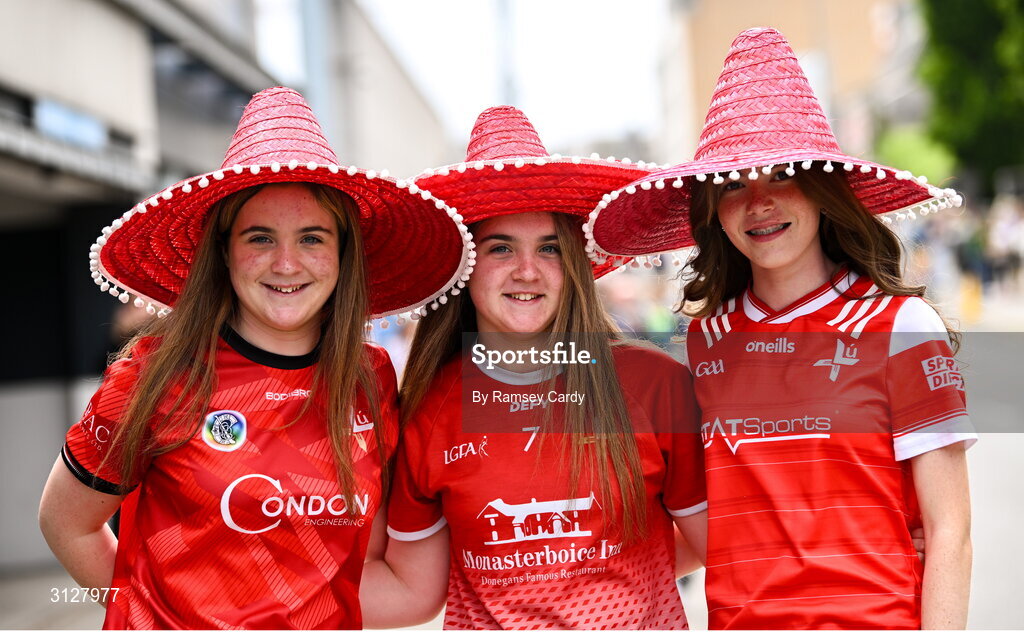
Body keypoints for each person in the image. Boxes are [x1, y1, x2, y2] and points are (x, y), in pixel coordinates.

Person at [37, 87, 472, 629]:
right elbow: (67, 523)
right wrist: (151, 615)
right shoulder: (157, 374)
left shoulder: (370, 376)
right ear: (224, 252)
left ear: (342, 254)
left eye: (312, 238)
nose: (286, 263)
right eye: (260, 237)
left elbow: (361, 567)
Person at [586, 27, 974, 630]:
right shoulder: (703, 342)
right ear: (713, 210)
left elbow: (950, 533)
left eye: (783, 175)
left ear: (824, 190)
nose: (759, 202)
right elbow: (713, 522)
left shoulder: (903, 325)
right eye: (734, 184)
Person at [358, 106, 708, 629]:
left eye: (549, 248)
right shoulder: (428, 409)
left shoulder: (653, 385)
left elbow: (727, 547)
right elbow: (411, 594)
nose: (528, 271)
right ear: (464, 267)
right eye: (500, 247)